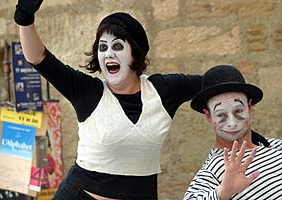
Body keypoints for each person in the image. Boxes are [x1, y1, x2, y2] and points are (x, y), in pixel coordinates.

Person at [14, 1, 202, 199]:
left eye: (118, 46)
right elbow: (37, 57)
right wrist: (24, 18)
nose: (108, 53)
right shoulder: (87, 91)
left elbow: (215, 83)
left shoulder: (162, 90)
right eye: (102, 47)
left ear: (135, 53)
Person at [184, 65, 282, 200]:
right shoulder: (213, 170)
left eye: (238, 111)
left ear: (249, 106)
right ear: (208, 116)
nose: (232, 122)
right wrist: (222, 193)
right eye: (221, 115)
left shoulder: (276, 146)